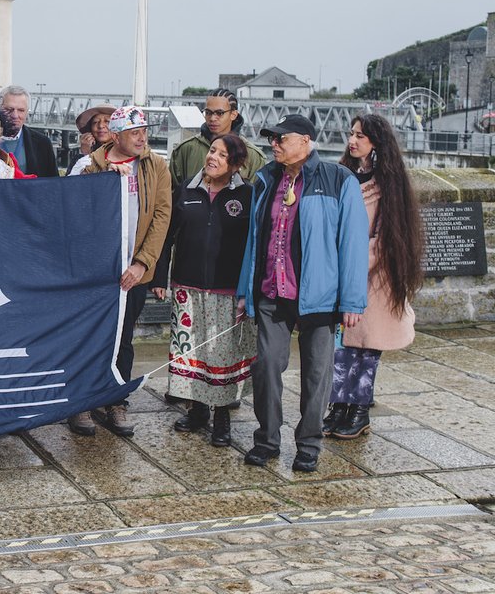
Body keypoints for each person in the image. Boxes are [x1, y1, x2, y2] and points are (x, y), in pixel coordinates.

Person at [235, 113, 369, 473]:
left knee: (317, 375)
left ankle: (309, 444)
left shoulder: (339, 180)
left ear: (306, 141)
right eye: (272, 139)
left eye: (282, 139)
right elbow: (254, 239)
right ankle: (267, 439)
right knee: (265, 366)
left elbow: (353, 244)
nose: (274, 144)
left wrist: (353, 300)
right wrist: (245, 288)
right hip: (271, 292)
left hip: (320, 296)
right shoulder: (265, 180)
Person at [68, 106, 171, 438]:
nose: (142, 137)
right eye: (134, 132)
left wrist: (142, 262)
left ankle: (116, 399)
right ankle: (81, 400)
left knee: (124, 337)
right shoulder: (88, 165)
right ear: (115, 136)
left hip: (134, 270)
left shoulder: (157, 167)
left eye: (144, 131)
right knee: (89, 335)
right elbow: (73, 215)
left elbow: (161, 216)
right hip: (96, 270)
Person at [151, 135, 256, 446]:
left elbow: (254, 246)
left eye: (223, 155)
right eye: (212, 151)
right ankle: (196, 410)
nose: (213, 158)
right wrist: (159, 279)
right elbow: (167, 237)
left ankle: (222, 415)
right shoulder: (186, 191)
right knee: (190, 350)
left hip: (227, 290)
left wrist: (247, 290)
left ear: (235, 164)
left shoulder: (247, 196)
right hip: (187, 287)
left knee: (222, 353)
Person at [323, 115, 423, 440]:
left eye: (360, 136)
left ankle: (360, 410)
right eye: (351, 134)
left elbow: (385, 239)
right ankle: (339, 406)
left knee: (366, 347)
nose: (352, 141)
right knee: (342, 347)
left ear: (376, 143)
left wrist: (347, 265)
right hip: (343, 274)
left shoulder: (387, 184)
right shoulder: (343, 176)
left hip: (373, 280)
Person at [168, 89, 266, 188]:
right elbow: (172, 194)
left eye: (219, 113)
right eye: (208, 112)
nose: (212, 118)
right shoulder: (185, 150)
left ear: (233, 114)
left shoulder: (253, 155)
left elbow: (257, 198)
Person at [0, 85, 60, 177]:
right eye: (9, 109)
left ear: (27, 112)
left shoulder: (43, 143)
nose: (15, 115)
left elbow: (53, 183)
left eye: (21, 110)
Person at [69, 104, 115, 168]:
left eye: (107, 121)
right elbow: (73, 176)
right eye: (95, 122)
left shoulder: (124, 152)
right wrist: (85, 153)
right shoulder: (81, 156)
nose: (100, 126)